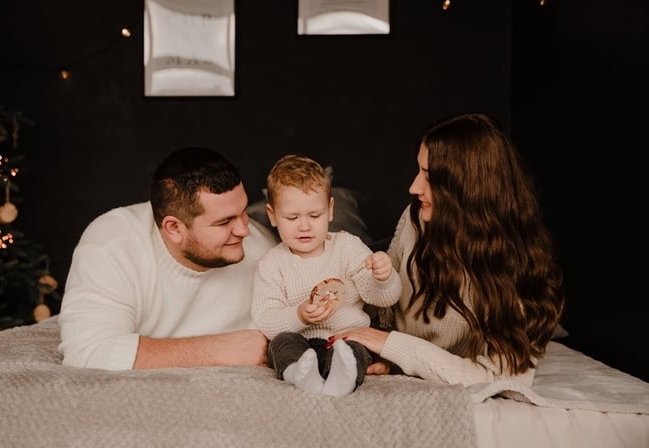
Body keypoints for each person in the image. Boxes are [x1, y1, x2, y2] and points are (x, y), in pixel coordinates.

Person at [336, 112, 565, 387]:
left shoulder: (515, 266)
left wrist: (392, 345)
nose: (414, 187)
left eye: (429, 176)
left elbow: (501, 377)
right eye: (419, 171)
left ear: (467, 187)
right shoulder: (416, 216)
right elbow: (385, 300)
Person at [57, 147, 278, 370]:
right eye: (224, 222)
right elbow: (88, 351)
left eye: (243, 212)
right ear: (173, 228)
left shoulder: (264, 251)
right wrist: (219, 350)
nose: (244, 230)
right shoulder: (112, 246)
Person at [251, 154, 401, 396]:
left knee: (355, 348)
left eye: (315, 216)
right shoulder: (271, 264)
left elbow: (383, 299)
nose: (304, 226)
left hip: (346, 337)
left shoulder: (347, 247)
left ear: (330, 210)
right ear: (272, 215)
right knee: (281, 343)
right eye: (292, 218)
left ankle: (342, 377)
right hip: (301, 342)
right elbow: (265, 318)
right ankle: (298, 374)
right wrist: (299, 315)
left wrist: (383, 278)